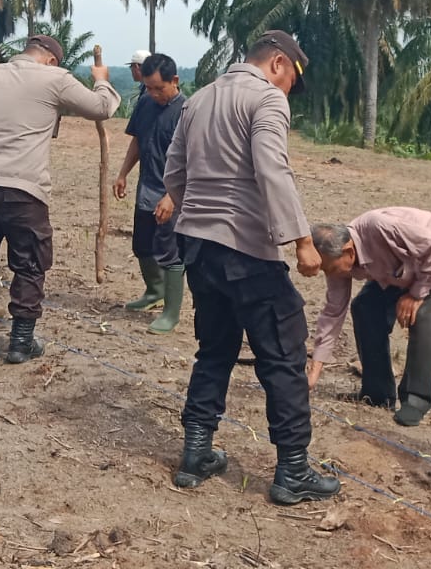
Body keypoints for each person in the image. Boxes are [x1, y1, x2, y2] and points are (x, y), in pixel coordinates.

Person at [164, 30, 340, 505]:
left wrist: (191, 214)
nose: (288, 94)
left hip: (197, 248)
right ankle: (293, 471)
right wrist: (301, 241)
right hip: (246, 249)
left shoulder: (198, 99)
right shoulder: (265, 100)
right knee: (283, 356)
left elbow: (174, 172)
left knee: (214, 349)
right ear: (279, 64)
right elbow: (272, 169)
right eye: (289, 83)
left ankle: (196, 451)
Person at [0, 35, 121, 368]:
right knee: (31, 263)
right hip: (25, 190)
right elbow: (102, 109)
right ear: (52, 60)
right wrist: (102, 82)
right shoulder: (55, 79)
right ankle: (21, 342)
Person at [306, 208, 431, 427]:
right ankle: (378, 394)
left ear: (349, 252)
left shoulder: (380, 227)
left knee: (422, 316)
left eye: (330, 268)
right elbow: (333, 312)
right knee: (365, 309)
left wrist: (415, 294)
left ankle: (416, 400)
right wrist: (315, 370)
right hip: (397, 269)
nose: (329, 274)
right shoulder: (336, 260)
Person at [114, 52, 188, 334]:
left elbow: (192, 160)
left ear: (175, 81)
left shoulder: (186, 112)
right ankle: (153, 291)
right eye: (149, 87)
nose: (155, 94)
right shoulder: (144, 103)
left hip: (172, 193)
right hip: (146, 187)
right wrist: (123, 173)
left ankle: (171, 313)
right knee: (142, 245)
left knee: (169, 253)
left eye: (160, 88)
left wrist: (172, 196)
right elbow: (138, 140)